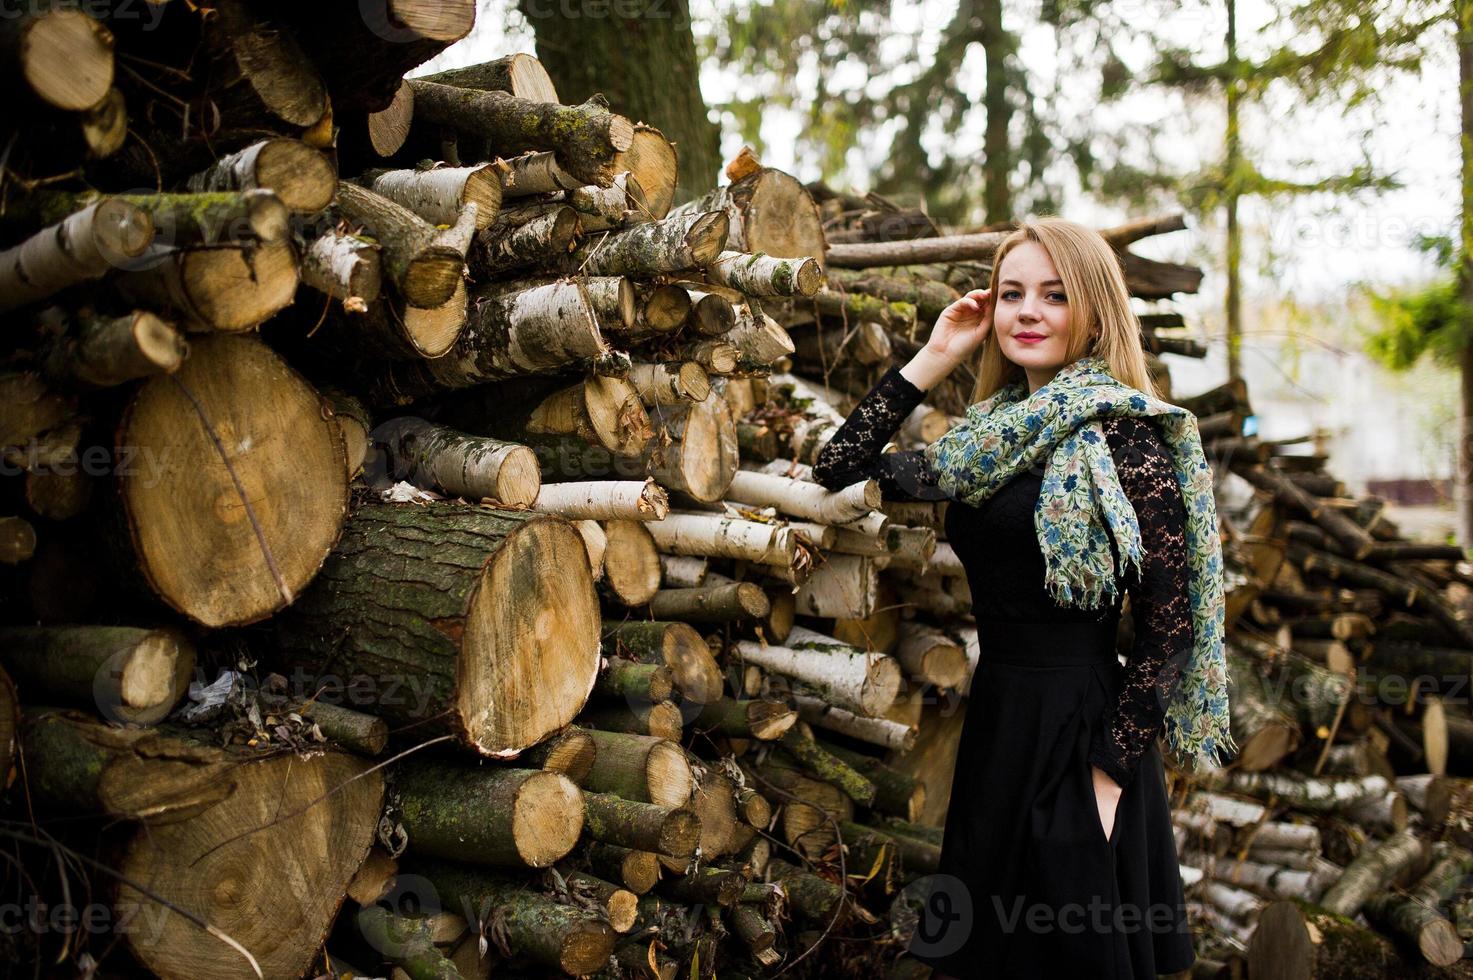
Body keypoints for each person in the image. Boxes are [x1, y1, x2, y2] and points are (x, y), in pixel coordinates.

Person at [811, 216, 1235, 978]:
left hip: (1084, 733)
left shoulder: (1127, 439)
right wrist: (936, 354)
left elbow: (1170, 628)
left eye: (1053, 294)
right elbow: (838, 465)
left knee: (1070, 952)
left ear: (1095, 310)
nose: (1027, 312)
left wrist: (1105, 780)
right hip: (998, 720)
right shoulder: (986, 444)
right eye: (1011, 294)